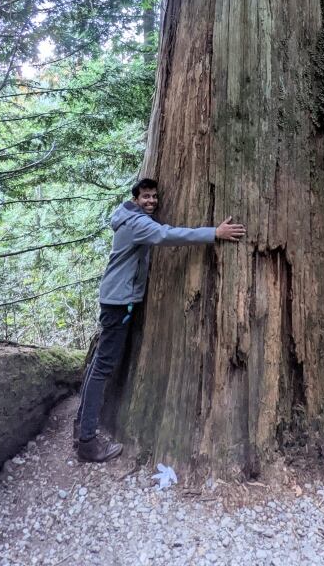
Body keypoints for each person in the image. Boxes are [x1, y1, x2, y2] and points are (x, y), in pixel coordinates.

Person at [74, 177, 245, 462]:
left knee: (99, 364)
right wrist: (213, 232)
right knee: (103, 366)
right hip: (119, 303)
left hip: (116, 298)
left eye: (154, 196)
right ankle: (87, 441)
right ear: (136, 198)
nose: (151, 201)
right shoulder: (137, 223)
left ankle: (81, 426)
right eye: (145, 197)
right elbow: (166, 235)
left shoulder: (128, 214)